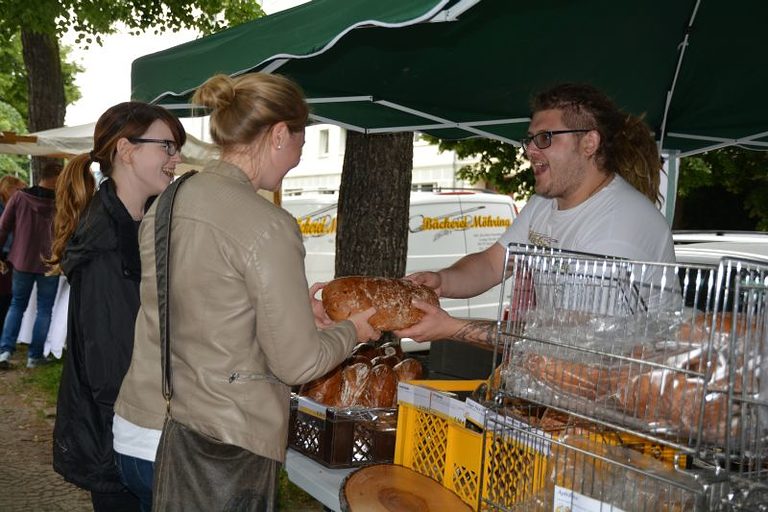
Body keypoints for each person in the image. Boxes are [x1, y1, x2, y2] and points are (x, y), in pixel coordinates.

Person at [113, 72, 379, 510]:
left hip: (138, 432)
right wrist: (353, 330)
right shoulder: (268, 224)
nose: (298, 156)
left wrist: (291, 313)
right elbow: (300, 362)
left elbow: (198, 310)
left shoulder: (170, 200)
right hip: (212, 450)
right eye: (301, 141)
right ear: (278, 135)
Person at [396, 83, 676, 346]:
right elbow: (492, 264)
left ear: (589, 143)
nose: (530, 150)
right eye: (529, 139)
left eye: (544, 138)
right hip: (567, 383)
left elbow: (573, 344)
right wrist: (441, 281)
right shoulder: (544, 204)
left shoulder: (619, 224)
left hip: (623, 391)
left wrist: (452, 327)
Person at [49, 102, 186, 512]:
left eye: (176, 147)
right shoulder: (107, 241)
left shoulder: (137, 226)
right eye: (166, 146)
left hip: (135, 435)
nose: (175, 158)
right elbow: (109, 366)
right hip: (121, 441)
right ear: (126, 150)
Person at [0, 163, 62, 369]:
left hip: (22, 260)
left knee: (17, 305)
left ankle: (5, 351)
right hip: (50, 263)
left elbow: (3, 226)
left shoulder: (19, 197)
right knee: (44, 309)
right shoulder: (61, 202)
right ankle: (34, 357)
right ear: (55, 177)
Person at [0, 175, 28, 325]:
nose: (21, 193)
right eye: (18, 190)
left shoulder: (14, 204)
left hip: (10, 254)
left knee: (8, 294)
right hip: (3, 253)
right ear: (8, 188)